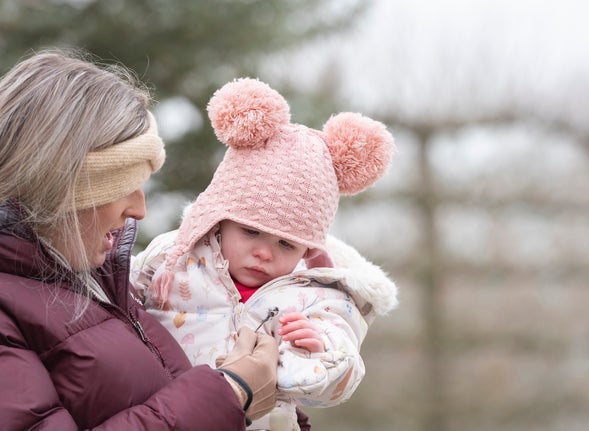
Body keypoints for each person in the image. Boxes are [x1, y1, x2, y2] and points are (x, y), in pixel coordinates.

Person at [0, 49, 304, 430]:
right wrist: (231, 394)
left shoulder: (94, 276)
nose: (139, 210)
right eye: (123, 186)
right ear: (60, 187)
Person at [130, 78, 399, 431]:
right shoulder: (171, 259)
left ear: (309, 249)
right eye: (250, 231)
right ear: (220, 219)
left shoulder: (313, 295)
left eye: (286, 244)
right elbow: (112, 304)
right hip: (166, 417)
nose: (263, 253)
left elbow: (336, 380)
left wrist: (317, 350)